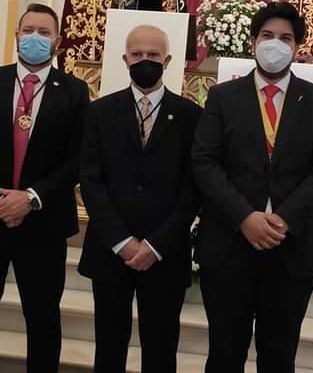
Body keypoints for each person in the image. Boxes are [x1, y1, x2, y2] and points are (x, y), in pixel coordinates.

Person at [192, 1, 313, 373]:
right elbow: (204, 162)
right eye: (267, 35)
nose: (275, 44)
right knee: (225, 354)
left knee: (279, 358)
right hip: (229, 247)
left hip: (291, 250)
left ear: (297, 47)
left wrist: (284, 218)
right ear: (253, 41)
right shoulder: (223, 97)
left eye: (285, 38)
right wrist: (244, 217)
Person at [0, 3, 89, 373]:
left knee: (43, 319)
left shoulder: (74, 92)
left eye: (44, 33)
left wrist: (31, 197)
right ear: (16, 36)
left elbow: (78, 157)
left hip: (44, 223)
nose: (35, 38)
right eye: (28, 31)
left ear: (58, 41)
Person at [79, 25, 201, 373]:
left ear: (168, 60)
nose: (144, 60)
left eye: (152, 55)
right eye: (137, 55)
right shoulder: (100, 111)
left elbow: (194, 187)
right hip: (110, 249)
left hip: (165, 252)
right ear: (125, 59)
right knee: (109, 346)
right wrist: (122, 241)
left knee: (161, 347)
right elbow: (91, 180)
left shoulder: (191, 116)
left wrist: (157, 244)